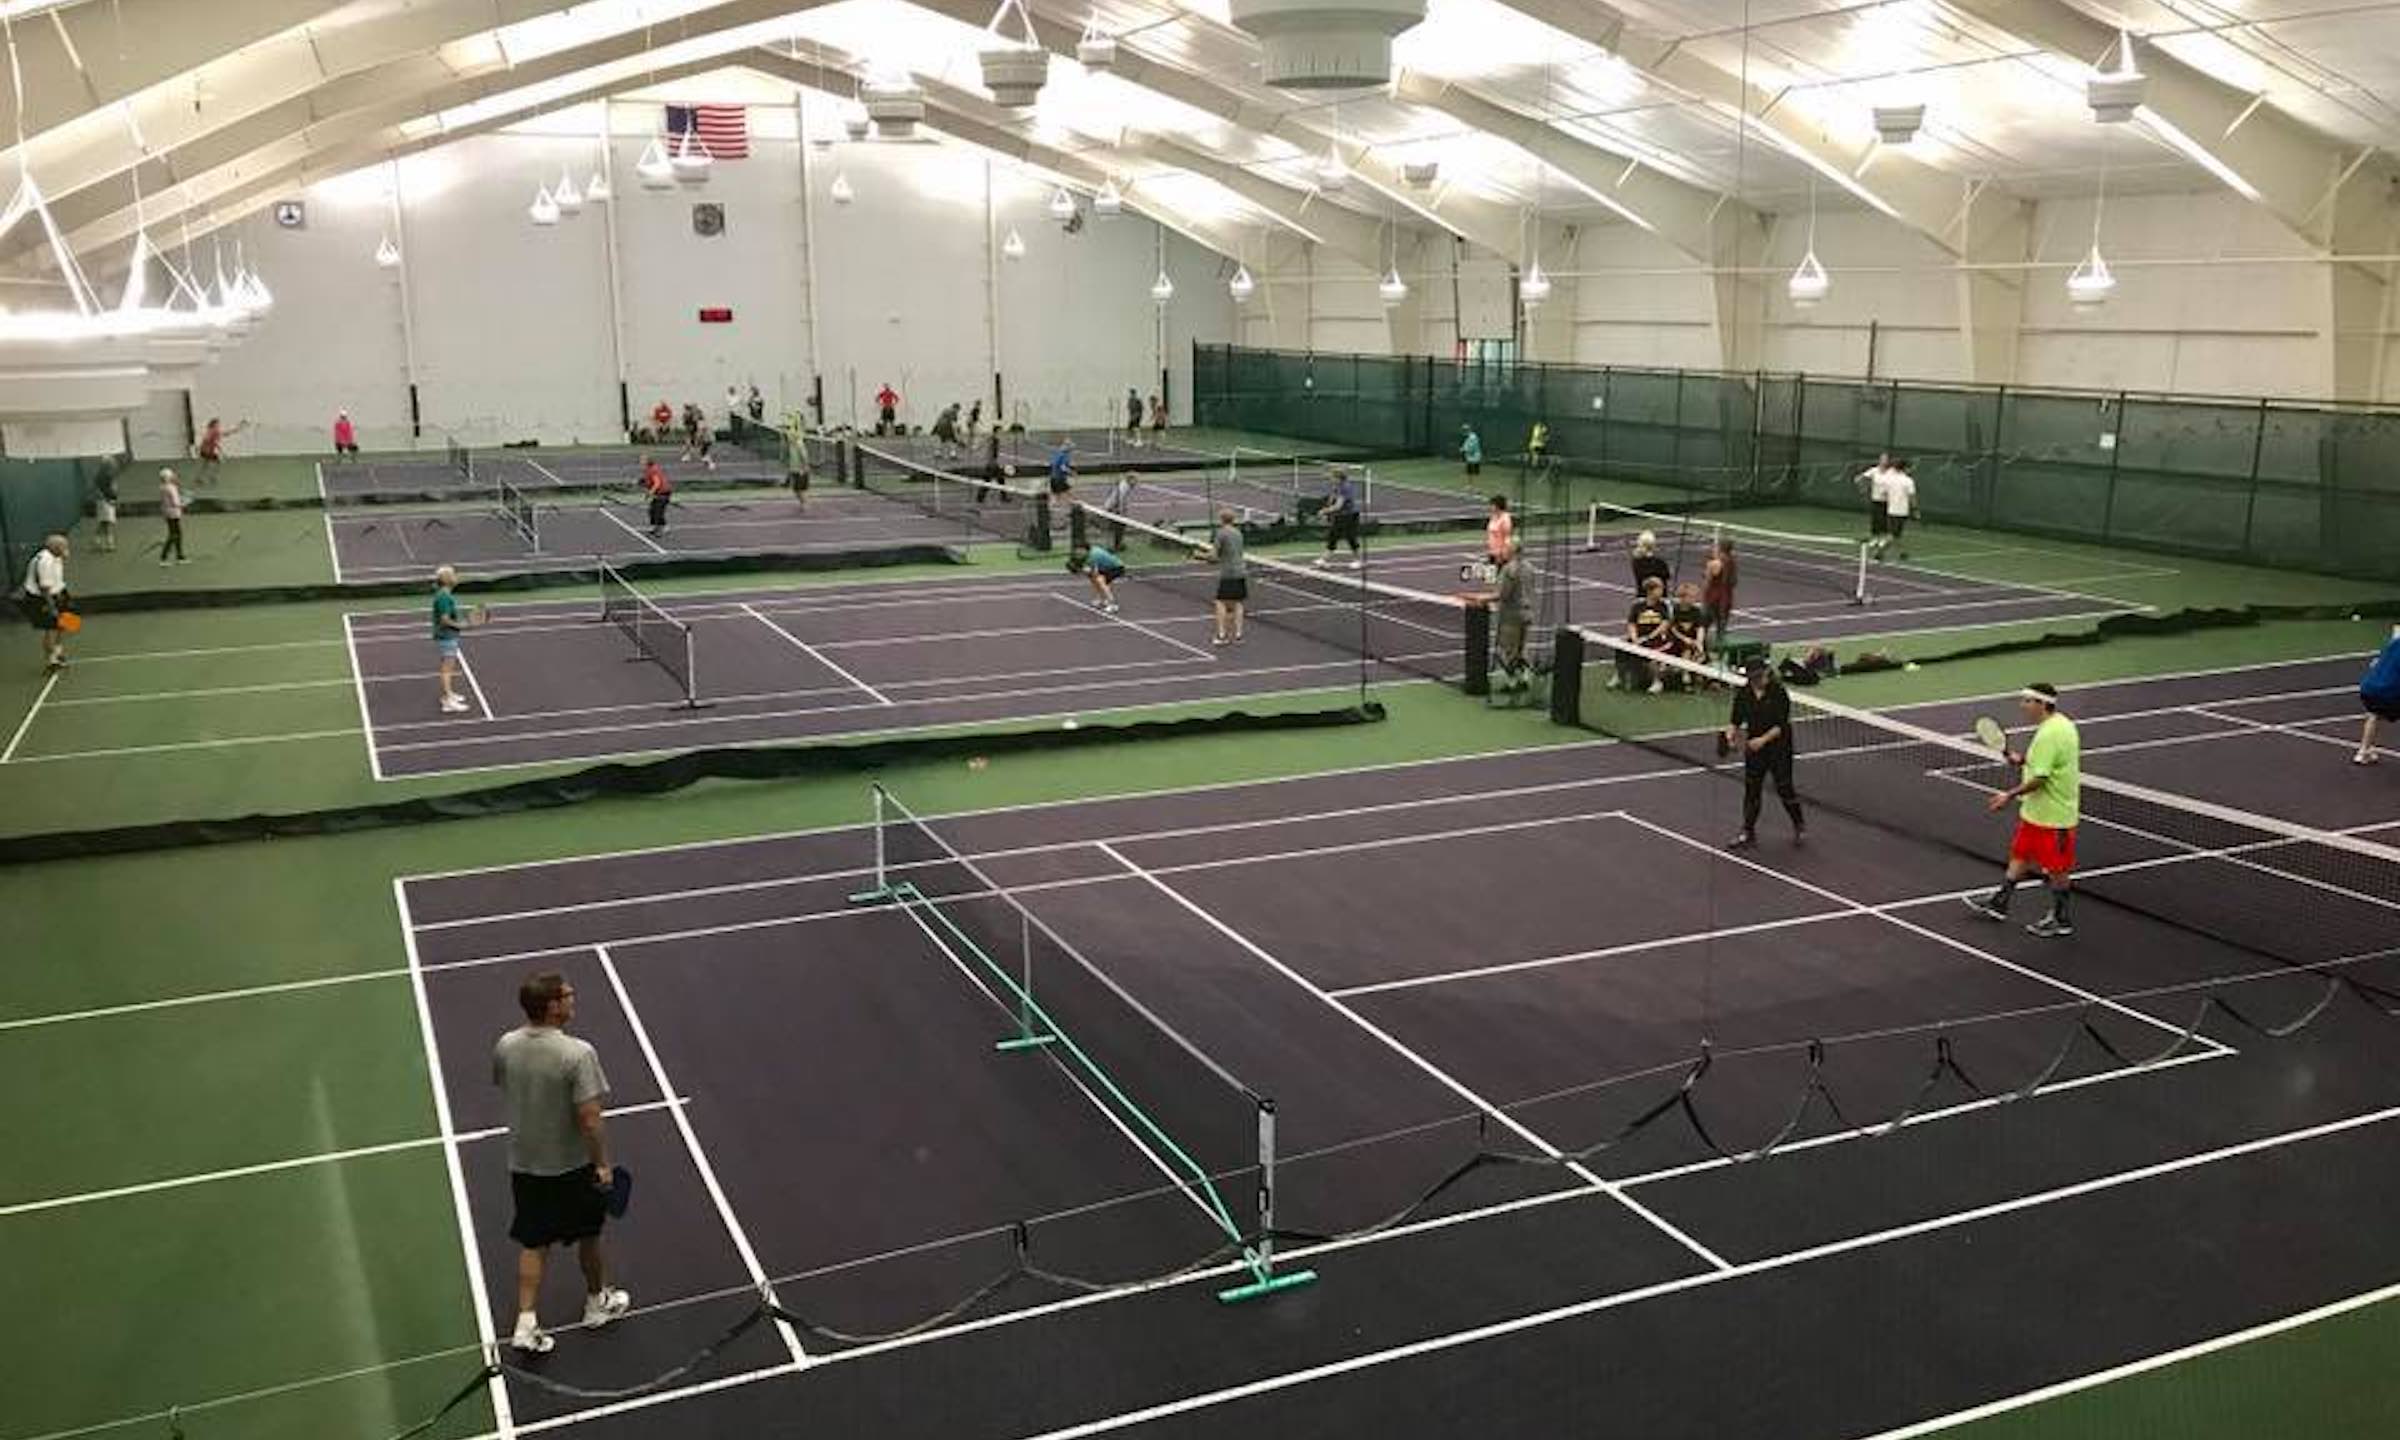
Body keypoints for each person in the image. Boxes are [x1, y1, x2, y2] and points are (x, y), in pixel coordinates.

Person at [494, 971, 631, 1355]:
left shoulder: (506, 1045)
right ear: (553, 1006)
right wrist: (601, 1163)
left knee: (534, 1242)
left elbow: (505, 1083)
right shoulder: (578, 1054)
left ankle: (526, 1323)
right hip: (571, 1165)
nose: (574, 1000)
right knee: (589, 1235)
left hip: (524, 1163)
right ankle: (596, 1303)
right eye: (568, 996)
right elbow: (589, 1117)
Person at [1964, 683, 2083, 938]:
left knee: (2057, 870)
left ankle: (2061, 919)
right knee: (2020, 854)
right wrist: (2023, 760)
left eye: (2027, 701)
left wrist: (2008, 795)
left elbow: (2040, 778)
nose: (2022, 705)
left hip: (2055, 817)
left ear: (2042, 704)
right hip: (2035, 813)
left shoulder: (2051, 734)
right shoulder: (2059, 725)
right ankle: (2000, 901)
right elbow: (2046, 764)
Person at [1724, 658, 1806, 849]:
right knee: (1752, 790)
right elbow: (1735, 720)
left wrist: (1762, 740)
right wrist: (1730, 735)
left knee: (1784, 787)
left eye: (1760, 675)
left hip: (1779, 748)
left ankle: (1799, 825)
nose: (1758, 679)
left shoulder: (1778, 692)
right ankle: (1747, 831)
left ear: (1765, 673)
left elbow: (1781, 726)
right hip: (1755, 749)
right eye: (1754, 676)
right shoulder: (1744, 693)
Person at [431, 565, 482, 714]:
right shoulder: (444, 597)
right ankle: (448, 701)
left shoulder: (444, 594)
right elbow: (445, 619)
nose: (456, 576)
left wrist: (459, 625)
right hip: (446, 636)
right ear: (447, 579)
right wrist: (461, 625)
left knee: (448, 667)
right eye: (453, 574)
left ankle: (449, 694)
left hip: (447, 635)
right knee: (447, 668)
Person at [20, 533, 69, 672]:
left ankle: (58, 651)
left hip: (58, 590)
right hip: (42, 597)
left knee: (66, 621)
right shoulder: (44, 562)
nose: (66, 549)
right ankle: (51, 661)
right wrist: (52, 606)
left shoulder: (56, 555)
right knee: (50, 628)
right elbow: (44, 588)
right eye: (64, 546)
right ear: (55, 547)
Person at [1616, 576, 1674, 693]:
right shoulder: (1638, 605)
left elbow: (1665, 624)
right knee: (1621, 647)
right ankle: (1619, 676)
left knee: (1652, 653)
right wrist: (1635, 638)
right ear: (1650, 591)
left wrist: (1649, 637)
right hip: (1639, 637)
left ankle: (1657, 681)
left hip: (1657, 638)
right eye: (1660, 588)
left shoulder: (1663, 605)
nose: (1662, 591)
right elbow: (1632, 623)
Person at [2356, 623, 2400, 766]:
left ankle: (2363, 752)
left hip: (2368, 689)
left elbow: (2373, 664)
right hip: (2388, 693)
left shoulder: (2391, 646)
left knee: (2373, 715)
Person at [1489, 537, 1530, 690]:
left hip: (1511, 615)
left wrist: (1481, 598)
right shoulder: (1529, 567)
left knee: (1505, 650)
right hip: (1527, 613)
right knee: (1522, 647)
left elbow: (1502, 594)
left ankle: (1512, 680)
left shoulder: (1509, 570)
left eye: (1506, 548)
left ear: (1512, 550)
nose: (1503, 550)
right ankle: (1525, 677)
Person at [1204, 507, 1246, 645]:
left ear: (1221, 519)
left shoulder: (1221, 533)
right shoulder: (1238, 533)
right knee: (1238, 603)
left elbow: (1213, 557)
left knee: (1220, 602)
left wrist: (1199, 556)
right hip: (1241, 571)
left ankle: (1222, 635)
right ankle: (1239, 635)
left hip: (1228, 573)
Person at [1316, 466, 1362, 569]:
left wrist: (1324, 511)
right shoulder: (1336, 486)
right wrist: (1328, 510)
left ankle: (1359, 561)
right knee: (1333, 536)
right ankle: (1324, 560)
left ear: (1338, 478)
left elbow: (1338, 506)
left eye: (1332, 477)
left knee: (1351, 538)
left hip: (1349, 516)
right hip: (1340, 516)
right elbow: (1332, 499)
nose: (1331, 479)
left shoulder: (1345, 487)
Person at [1873, 458, 1916, 561]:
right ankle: (1880, 551)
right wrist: (1915, 509)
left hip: (1891, 511)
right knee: (1893, 535)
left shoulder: (1890, 480)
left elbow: (1883, 493)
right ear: (1904, 468)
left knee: (1896, 535)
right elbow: (1912, 496)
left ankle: (1902, 553)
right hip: (1901, 512)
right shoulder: (1908, 481)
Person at [1701, 537, 1737, 653]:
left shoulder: (1714, 564)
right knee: (1721, 628)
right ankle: (1721, 652)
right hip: (1726, 598)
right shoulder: (1732, 562)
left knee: (1703, 625)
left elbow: (1707, 582)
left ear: (1720, 548)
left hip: (1713, 597)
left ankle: (1702, 649)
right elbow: (1734, 581)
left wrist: (1704, 595)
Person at [1071, 542, 1126, 613]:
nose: (1077, 552)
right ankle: (1101, 599)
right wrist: (1083, 570)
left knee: (1100, 580)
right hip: (1106, 567)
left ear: (1084, 549)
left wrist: (1080, 570)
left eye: (1079, 550)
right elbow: (1090, 572)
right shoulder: (1089, 553)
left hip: (1117, 567)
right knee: (1093, 579)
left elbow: (1095, 573)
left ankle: (1113, 605)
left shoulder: (1093, 555)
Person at [1669, 581, 1709, 673]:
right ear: (1682, 597)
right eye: (1691, 597)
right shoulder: (1674, 611)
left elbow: (1700, 628)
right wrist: (1684, 638)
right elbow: (1673, 629)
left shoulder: (1697, 611)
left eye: (1695, 597)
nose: (1694, 599)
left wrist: (1699, 643)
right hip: (1678, 641)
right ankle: (1684, 674)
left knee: (1699, 655)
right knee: (1686, 651)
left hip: (1693, 641)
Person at [1857, 452, 1894, 545]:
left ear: (1888, 461)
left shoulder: (1891, 472)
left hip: (1887, 501)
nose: (1883, 461)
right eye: (1882, 459)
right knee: (1875, 520)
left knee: (1884, 520)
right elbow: (1861, 478)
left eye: (1885, 459)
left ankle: (1883, 538)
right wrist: (1862, 485)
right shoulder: (1874, 471)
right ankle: (1875, 538)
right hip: (1875, 499)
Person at [195, 416, 242, 484]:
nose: (219, 426)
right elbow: (209, 441)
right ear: (214, 425)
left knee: (207, 464)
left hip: (207, 451)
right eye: (217, 424)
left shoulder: (213, 431)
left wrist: (238, 428)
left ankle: (201, 478)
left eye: (218, 424)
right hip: (207, 451)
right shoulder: (212, 432)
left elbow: (226, 433)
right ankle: (211, 477)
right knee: (215, 463)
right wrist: (221, 451)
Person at [157, 467, 189, 565]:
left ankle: (180, 556)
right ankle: (164, 557)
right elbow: (175, 502)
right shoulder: (171, 488)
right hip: (173, 514)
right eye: (171, 476)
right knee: (174, 535)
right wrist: (184, 503)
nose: (173, 476)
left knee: (177, 534)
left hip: (167, 513)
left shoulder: (162, 487)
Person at [1630, 530, 1671, 598]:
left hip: (1643, 598)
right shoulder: (1661, 563)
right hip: (1660, 599)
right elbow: (1667, 576)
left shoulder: (1636, 562)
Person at [1099, 473, 1136, 549]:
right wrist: (1121, 512)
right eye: (1135, 480)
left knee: (1118, 527)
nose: (1136, 483)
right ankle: (1115, 545)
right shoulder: (1124, 487)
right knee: (1117, 527)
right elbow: (1120, 499)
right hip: (1112, 509)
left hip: (1113, 508)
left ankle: (1116, 544)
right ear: (1130, 479)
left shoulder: (1125, 485)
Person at [91, 458, 119, 553]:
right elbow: (111, 489)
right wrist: (108, 500)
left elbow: (99, 490)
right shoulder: (108, 476)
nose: (114, 465)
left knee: (103, 523)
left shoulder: (100, 476)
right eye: (112, 464)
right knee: (108, 523)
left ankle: (98, 542)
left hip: (105, 501)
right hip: (106, 502)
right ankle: (109, 544)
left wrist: (112, 499)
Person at [639, 456, 673, 536]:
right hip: (657, 493)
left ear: (647, 461)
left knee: (658, 511)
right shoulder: (648, 469)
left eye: (642, 460)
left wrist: (650, 493)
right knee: (652, 510)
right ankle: (655, 527)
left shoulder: (653, 470)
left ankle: (662, 528)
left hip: (663, 493)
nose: (640, 462)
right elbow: (646, 480)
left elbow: (657, 483)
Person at [1484, 494, 1513, 568]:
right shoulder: (1493, 517)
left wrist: (1503, 554)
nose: (1491, 507)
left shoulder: (1505, 519)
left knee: (1500, 577)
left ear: (1498, 506)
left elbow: (1507, 537)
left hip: (1500, 554)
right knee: (1490, 577)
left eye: (1492, 505)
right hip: (1492, 552)